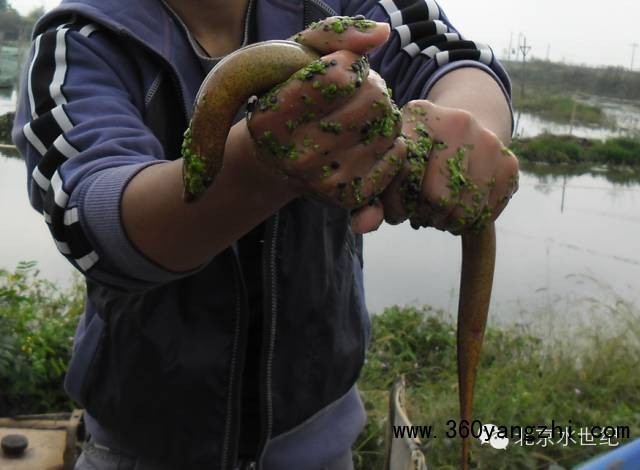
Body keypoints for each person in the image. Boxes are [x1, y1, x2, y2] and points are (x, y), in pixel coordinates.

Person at [12, 0, 518, 469]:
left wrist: (465, 132)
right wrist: (256, 168)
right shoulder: (78, 41)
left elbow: (451, 57)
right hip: (139, 448)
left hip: (320, 444)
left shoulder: (347, 4)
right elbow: (90, 220)